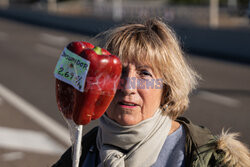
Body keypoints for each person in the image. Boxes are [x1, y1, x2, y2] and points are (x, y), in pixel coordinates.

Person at [53, 18, 250, 167]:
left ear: (166, 89)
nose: (128, 87)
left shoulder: (207, 157)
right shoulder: (80, 152)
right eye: (119, 71)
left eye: (144, 74)